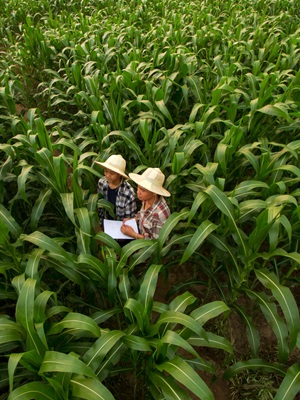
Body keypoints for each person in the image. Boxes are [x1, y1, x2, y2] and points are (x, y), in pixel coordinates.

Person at [121, 167, 171, 240]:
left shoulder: (160, 214)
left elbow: (157, 242)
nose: (138, 192)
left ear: (154, 192)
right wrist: (133, 219)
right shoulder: (146, 199)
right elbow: (142, 214)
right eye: (138, 187)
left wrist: (133, 234)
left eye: (142, 190)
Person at [96, 155, 137, 226]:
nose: (107, 175)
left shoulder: (128, 192)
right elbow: (100, 206)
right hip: (105, 223)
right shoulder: (101, 183)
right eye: (106, 171)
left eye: (112, 173)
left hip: (121, 227)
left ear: (119, 174)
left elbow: (129, 219)